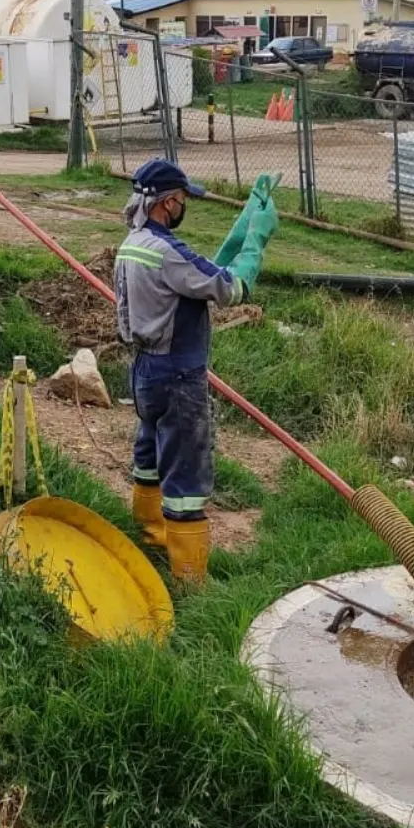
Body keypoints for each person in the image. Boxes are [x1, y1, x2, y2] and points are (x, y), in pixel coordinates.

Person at [114, 158, 278, 582]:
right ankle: (189, 580)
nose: (185, 206)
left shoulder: (134, 244)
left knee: (149, 454)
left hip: (144, 371)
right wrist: (257, 238)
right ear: (167, 203)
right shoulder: (169, 254)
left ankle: (150, 536)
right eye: (183, 199)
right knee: (186, 475)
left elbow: (200, 274)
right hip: (178, 378)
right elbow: (230, 287)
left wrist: (239, 227)